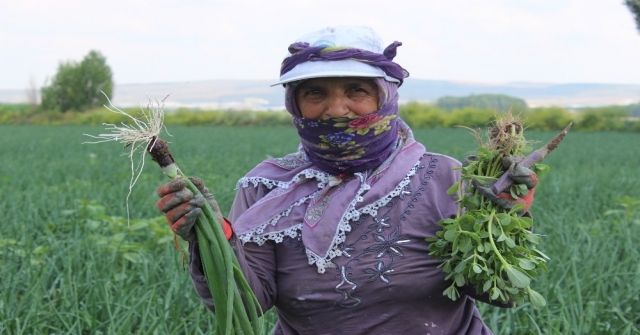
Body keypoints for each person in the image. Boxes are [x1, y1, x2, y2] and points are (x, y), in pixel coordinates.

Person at [156, 26, 537, 335]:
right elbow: (244, 305)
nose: (336, 109)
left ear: (385, 96)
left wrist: (508, 219)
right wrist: (212, 238)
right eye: (315, 93)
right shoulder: (265, 189)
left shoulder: (442, 178)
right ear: (295, 103)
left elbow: (501, 293)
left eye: (356, 90)